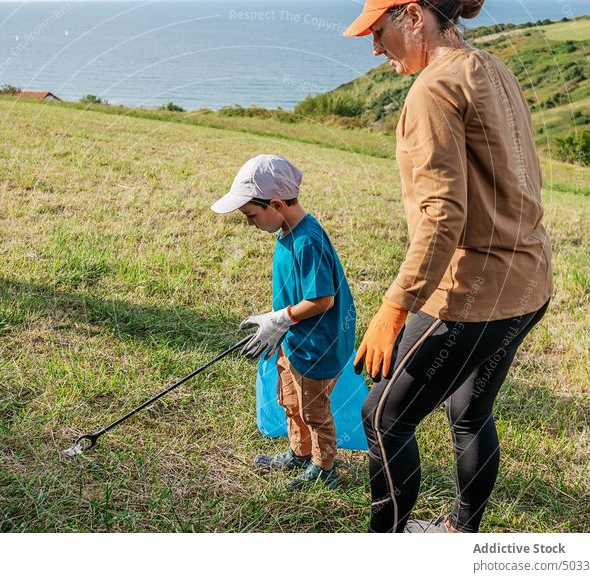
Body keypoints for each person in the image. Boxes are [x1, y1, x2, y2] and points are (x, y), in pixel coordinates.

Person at [344, 0, 553, 532]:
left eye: (377, 29)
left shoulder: (432, 89)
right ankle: (460, 535)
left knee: (382, 416)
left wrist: (395, 307)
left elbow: (442, 216)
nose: (373, 46)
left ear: (413, 15)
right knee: (470, 413)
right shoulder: (492, 67)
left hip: (473, 295)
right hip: (529, 281)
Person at [212, 154, 356, 490]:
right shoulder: (287, 231)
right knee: (290, 400)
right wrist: (281, 325)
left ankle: (324, 468)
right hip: (294, 339)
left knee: (314, 411)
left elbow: (323, 299)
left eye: (251, 215)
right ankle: (299, 452)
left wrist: (281, 318)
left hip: (317, 346)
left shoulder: (307, 240)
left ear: (276, 204)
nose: (249, 223)